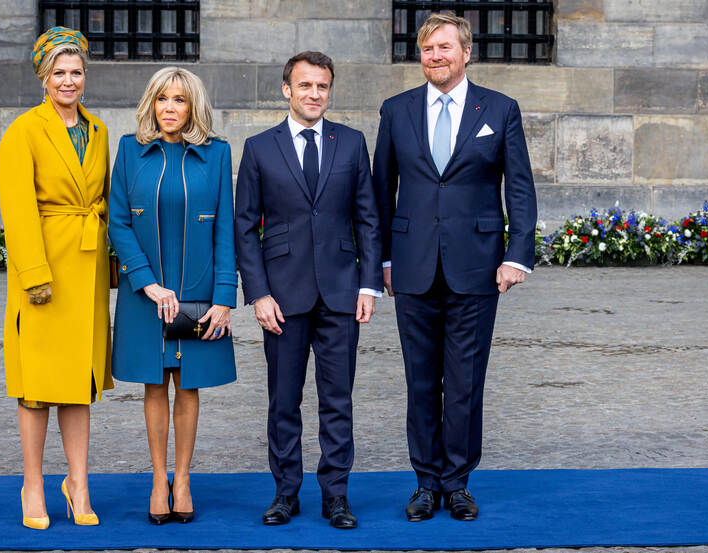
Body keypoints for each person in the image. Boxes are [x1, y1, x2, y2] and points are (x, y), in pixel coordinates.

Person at [372, 12, 537, 522]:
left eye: (445, 47)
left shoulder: (500, 109)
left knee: (465, 380)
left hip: (478, 267)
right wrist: (382, 258)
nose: (436, 57)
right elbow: (382, 191)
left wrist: (517, 255)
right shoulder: (396, 111)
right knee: (420, 380)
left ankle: (459, 483)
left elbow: (521, 187)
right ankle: (425, 483)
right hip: (413, 267)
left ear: (466, 53)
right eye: (427, 49)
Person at [235, 51, 382, 530]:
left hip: (342, 291)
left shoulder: (353, 143)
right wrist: (258, 294)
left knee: (337, 398)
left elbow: (367, 217)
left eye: (322, 86)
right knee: (284, 399)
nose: (314, 94)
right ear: (287, 90)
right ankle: (285, 493)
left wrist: (368, 285)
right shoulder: (259, 148)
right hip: (282, 294)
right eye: (305, 86)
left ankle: (336, 495)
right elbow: (244, 228)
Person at [108, 67, 237, 525]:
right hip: (147, 293)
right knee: (154, 382)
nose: (169, 108)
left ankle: (182, 479)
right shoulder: (128, 150)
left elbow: (226, 228)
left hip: (200, 291)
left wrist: (224, 296)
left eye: (179, 100)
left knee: (190, 384)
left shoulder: (217, 155)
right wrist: (147, 282)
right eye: (162, 99)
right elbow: (118, 221)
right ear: (151, 104)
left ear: (193, 106)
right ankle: (157, 478)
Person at [0, 26, 112, 530]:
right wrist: (34, 275)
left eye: (76, 72)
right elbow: (17, 209)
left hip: (85, 268)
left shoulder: (100, 130)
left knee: (78, 383)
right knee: (37, 385)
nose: (69, 80)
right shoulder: (23, 131)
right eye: (59, 72)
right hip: (44, 268)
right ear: (44, 78)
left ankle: (79, 482)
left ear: (86, 76)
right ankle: (34, 483)